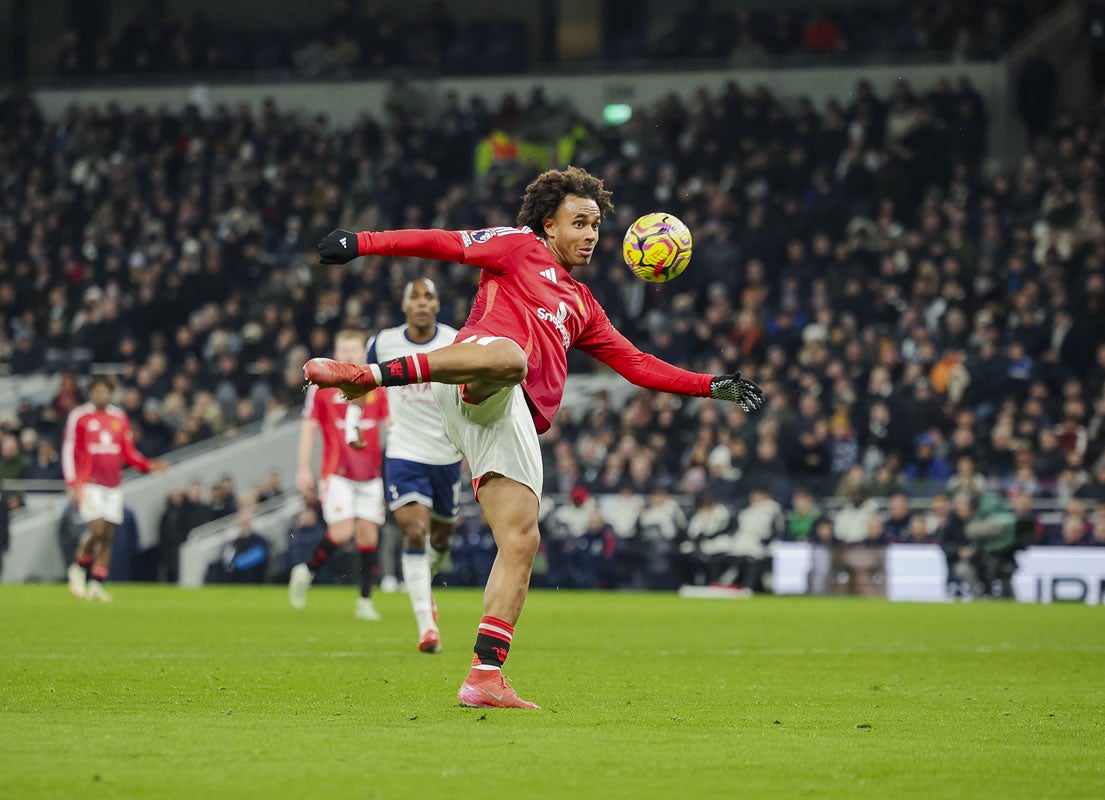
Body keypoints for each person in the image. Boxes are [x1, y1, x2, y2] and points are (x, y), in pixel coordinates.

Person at [306, 166, 764, 709]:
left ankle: (484, 675)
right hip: (478, 377)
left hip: (509, 418)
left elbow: (637, 365)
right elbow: (441, 242)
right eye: (580, 222)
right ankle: (370, 376)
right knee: (510, 356)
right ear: (549, 225)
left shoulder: (584, 306)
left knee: (521, 541)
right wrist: (360, 241)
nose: (591, 234)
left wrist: (715, 386)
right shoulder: (518, 246)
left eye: (596, 225)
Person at [367, 278, 462, 653]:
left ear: (437, 305)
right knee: (414, 530)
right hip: (404, 451)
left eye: (429, 298)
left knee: (441, 537)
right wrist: (360, 426)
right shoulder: (383, 343)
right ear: (404, 306)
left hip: (447, 454)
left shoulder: (455, 341)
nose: (422, 304)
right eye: (415, 298)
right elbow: (364, 385)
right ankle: (427, 627)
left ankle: (424, 587)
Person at [290, 330, 390, 621]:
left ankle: (364, 601)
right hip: (337, 474)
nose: (349, 355)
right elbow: (309, 427)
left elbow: (391, 424)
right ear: (334, 353)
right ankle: (306, 572)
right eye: (343, 349)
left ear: (363, 353)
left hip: (371, 475)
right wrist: (302, 468)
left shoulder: (378, 385)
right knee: (343, 531)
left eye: (354, 350)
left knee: (368, 536)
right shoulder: (321, 386)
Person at [63, 376, 167, 601]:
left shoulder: (118, 418)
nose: (101, 395)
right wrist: (73, 483)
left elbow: (128, 452)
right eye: (97, 391)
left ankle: (97, 584)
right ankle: (78, 565)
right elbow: (70, 450)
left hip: (113, 485)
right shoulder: (80, 417)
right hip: (90, 483)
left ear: (111, 394)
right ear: (90, 393)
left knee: (108, 535)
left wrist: (147, 465)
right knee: (97, 529)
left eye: (105, 391)